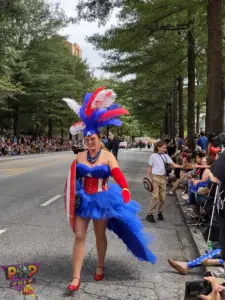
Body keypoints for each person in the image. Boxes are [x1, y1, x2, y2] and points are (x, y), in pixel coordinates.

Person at [62, 87, 157, 295]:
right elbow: (72, 180)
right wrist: (73, 195)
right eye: (86, 140)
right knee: (79, 235)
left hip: (103, 198)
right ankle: (76, 276)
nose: (89, 143)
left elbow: (117, 174)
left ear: (99, 138)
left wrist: (124, 187)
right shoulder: (79, 157)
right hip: (84, 200)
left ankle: (100, 265)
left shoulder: (107, 156)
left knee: (99, 234)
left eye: (93, 140)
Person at [146, 141, 184, 223]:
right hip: (155, 178)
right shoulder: (153, 156)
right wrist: (147, 177)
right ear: (158, 147)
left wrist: (182, 166)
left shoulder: (165, 156)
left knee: (162, 198)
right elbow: (150, 167)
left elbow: (173, 165)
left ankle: (160, 212)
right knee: (155, 196)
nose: (165, 149)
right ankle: (150, 214)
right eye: (163, 147)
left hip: (163, 179)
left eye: (165, 147)